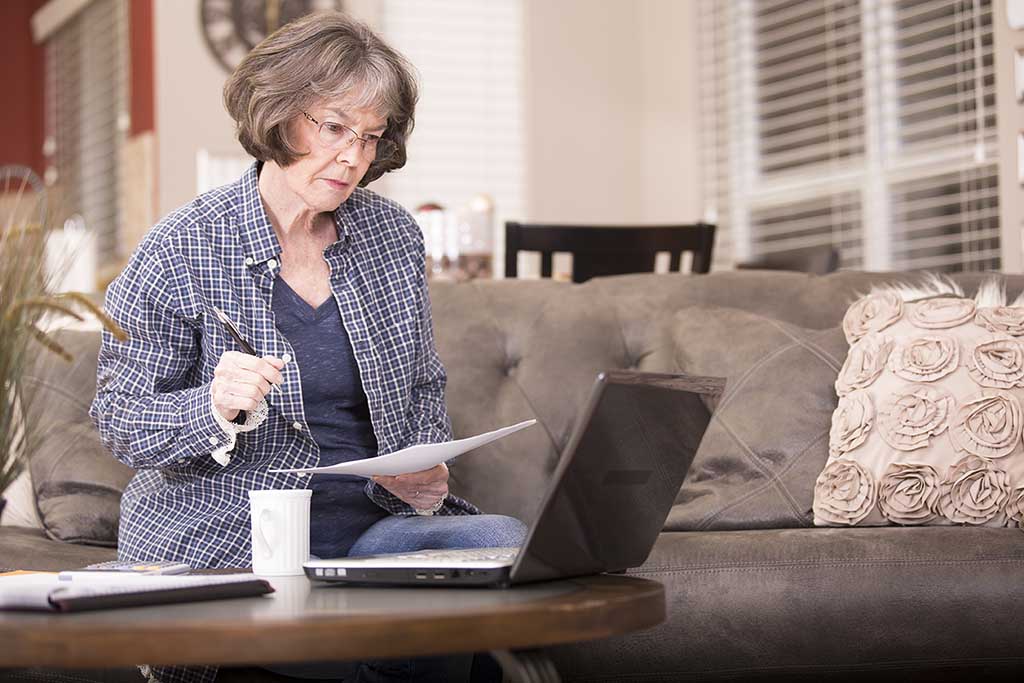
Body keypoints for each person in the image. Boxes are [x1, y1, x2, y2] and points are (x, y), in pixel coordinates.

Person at [90, 11, 523, 683]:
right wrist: (211, 407)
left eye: (371, 137)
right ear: (279, 115)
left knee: (506, 542)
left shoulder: (392, 238)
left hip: (371, 535)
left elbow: (421, 390)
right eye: (334, 127)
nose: (353, 156)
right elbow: (120, 416)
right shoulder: (182, 246)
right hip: (233, 535)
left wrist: (425, 476)